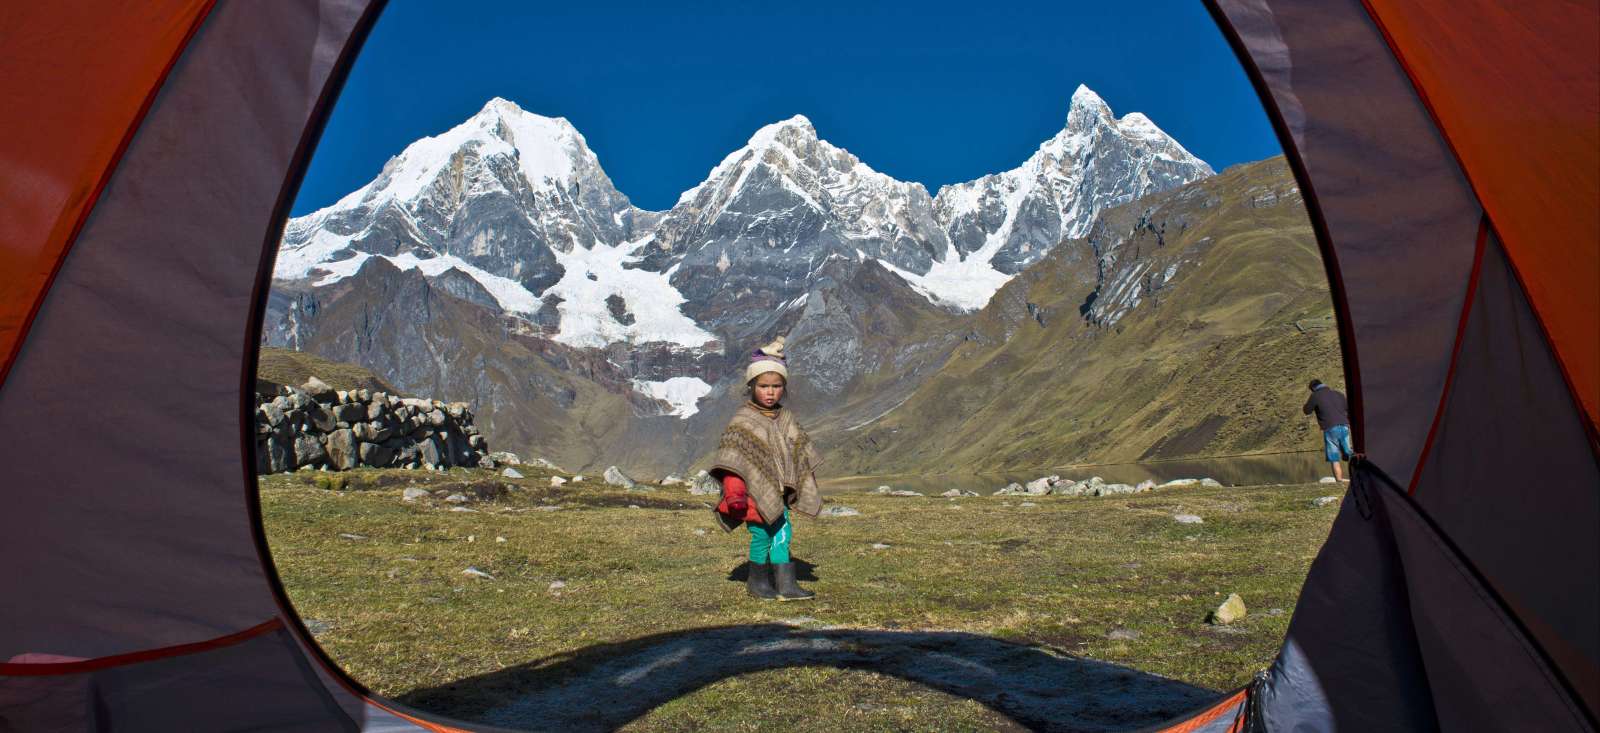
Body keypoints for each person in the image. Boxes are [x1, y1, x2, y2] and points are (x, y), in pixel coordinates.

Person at [711, 336, 823, 601]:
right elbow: (733, 460)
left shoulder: (786, 418)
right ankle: (757, 583)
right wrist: (735, 494)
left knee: (783, 534)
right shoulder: (743, 421)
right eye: (763, 386)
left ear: (784, 387)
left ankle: (786, 585)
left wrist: (803, 482)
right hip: (752, 497)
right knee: (761, 536)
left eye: (776, 386)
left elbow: (799, 453)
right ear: (752, 386)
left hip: (780, 494)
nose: (770, 392)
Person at [1303, 378, 1353, 482]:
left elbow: (1307, 411)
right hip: (1344, 425)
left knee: (1334, 456)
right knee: (1349, 453)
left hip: (1330, 427)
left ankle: (1339, 481)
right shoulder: (1338, 394)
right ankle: (1355, 476)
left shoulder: (1315, 395)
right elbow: (1348, 409)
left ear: (1313, 388)